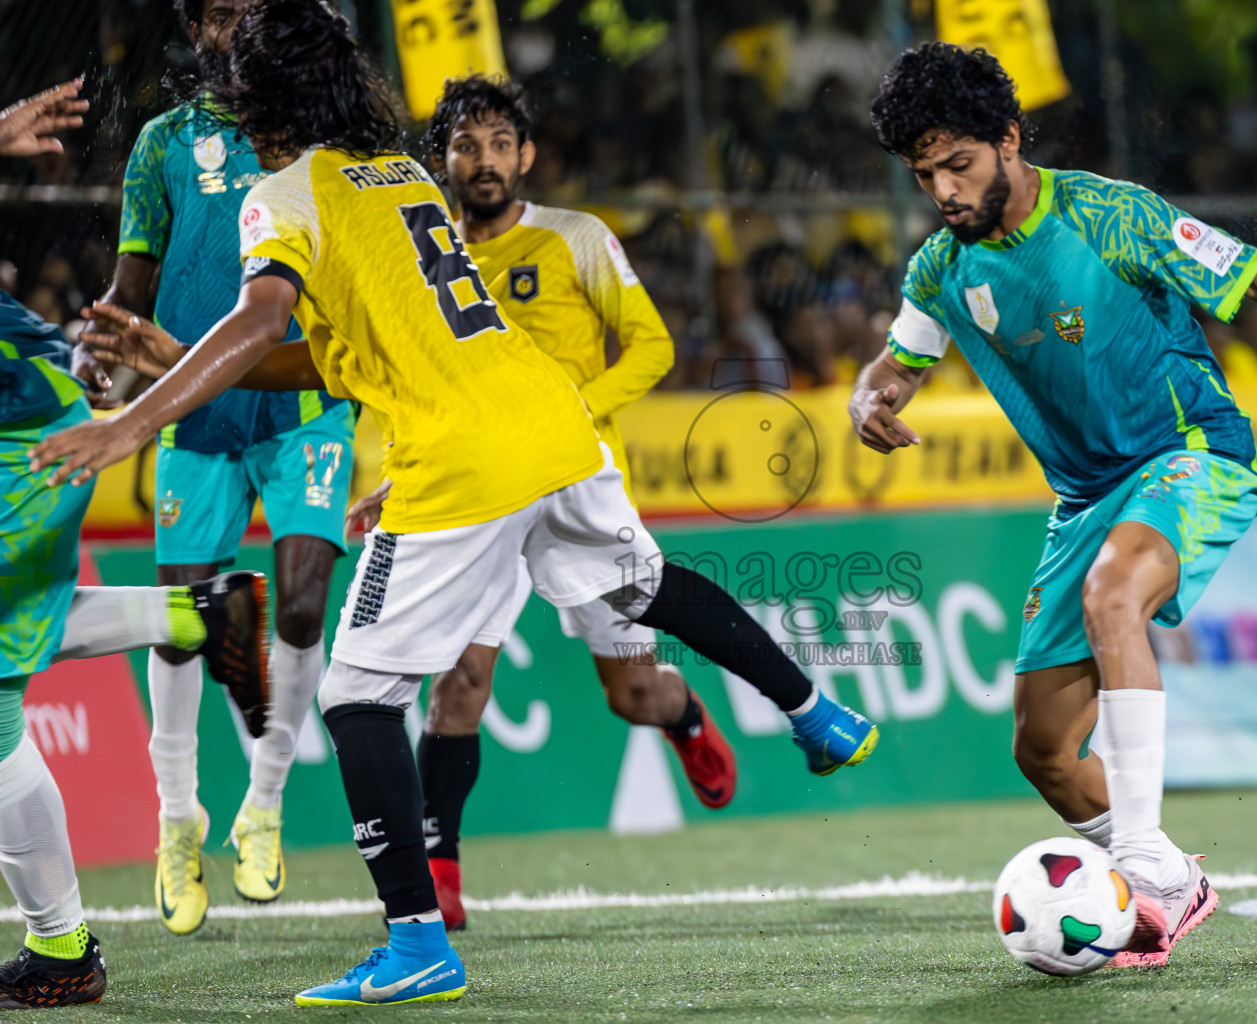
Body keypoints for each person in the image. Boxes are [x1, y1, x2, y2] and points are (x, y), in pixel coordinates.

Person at [37, 1, 876, 1005]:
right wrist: (177, 360)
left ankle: (416, 942)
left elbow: (261, 318)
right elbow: (346, 355)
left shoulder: (281, 192)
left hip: (462, 462)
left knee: (354, 697)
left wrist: (127, 425)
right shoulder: (397, 176)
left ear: (257, 103)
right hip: (554, 424)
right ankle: (815, 710)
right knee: (643, 583)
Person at [850, 43, 1257, 967]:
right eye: (925, 174)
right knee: (1044, 752)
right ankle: (1174, 888)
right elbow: (896, 362)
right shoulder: (941, 270)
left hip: (1190, 453)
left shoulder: (1112, 215)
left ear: (1009, 139)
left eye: (960, 164)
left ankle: (1145, 860)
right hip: (1086, 498)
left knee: (1118, 597)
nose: (944, 190)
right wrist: (870, 399)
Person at [342, 75, 737, 932]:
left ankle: (683, 714)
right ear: (439, 160)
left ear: (526, 156)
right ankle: (441, 870)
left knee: (631, 694)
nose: (482, 162)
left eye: (498, 145)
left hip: (571, 486)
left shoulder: (574, 237)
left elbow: (652, 346)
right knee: (460, 683)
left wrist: (570, 416)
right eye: (463, 146)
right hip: (475, 493)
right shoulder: (425, 249)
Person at [70, 0, 357, 934]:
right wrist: (100, 346)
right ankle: (176, 815)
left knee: (305, 599)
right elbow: (132, 284)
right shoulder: (161, 145)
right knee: (178, 622)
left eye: (253, 11)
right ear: (196, 30)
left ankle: (265, 803)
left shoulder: (319, 141)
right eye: (222, 12)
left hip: (305, 407)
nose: (236, 27)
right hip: (192, 409)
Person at [0, 289, 268, 1009]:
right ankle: (203, 616)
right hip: (29, 407)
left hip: (22, 432)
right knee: (14, 621)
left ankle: (61, 951)